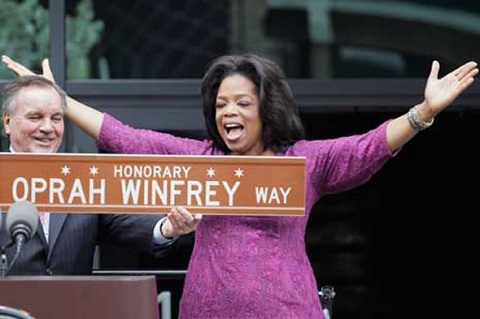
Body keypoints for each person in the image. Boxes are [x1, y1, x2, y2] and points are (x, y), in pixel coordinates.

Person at [3, 54, 477, 318]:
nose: (228, 113)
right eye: (221, 104)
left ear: (266, 107)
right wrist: (60, 101)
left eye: (241, 103)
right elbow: (126, 137)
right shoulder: (200, 160)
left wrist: (423, 113)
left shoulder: (304, 162)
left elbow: (367, 147)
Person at [0, 74, 201, 275]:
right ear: (8, 122)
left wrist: (168, 228)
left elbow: (124, 221)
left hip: (72, 304)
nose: (47, 128)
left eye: (56, 118)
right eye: (35, 117)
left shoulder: (83, 182)